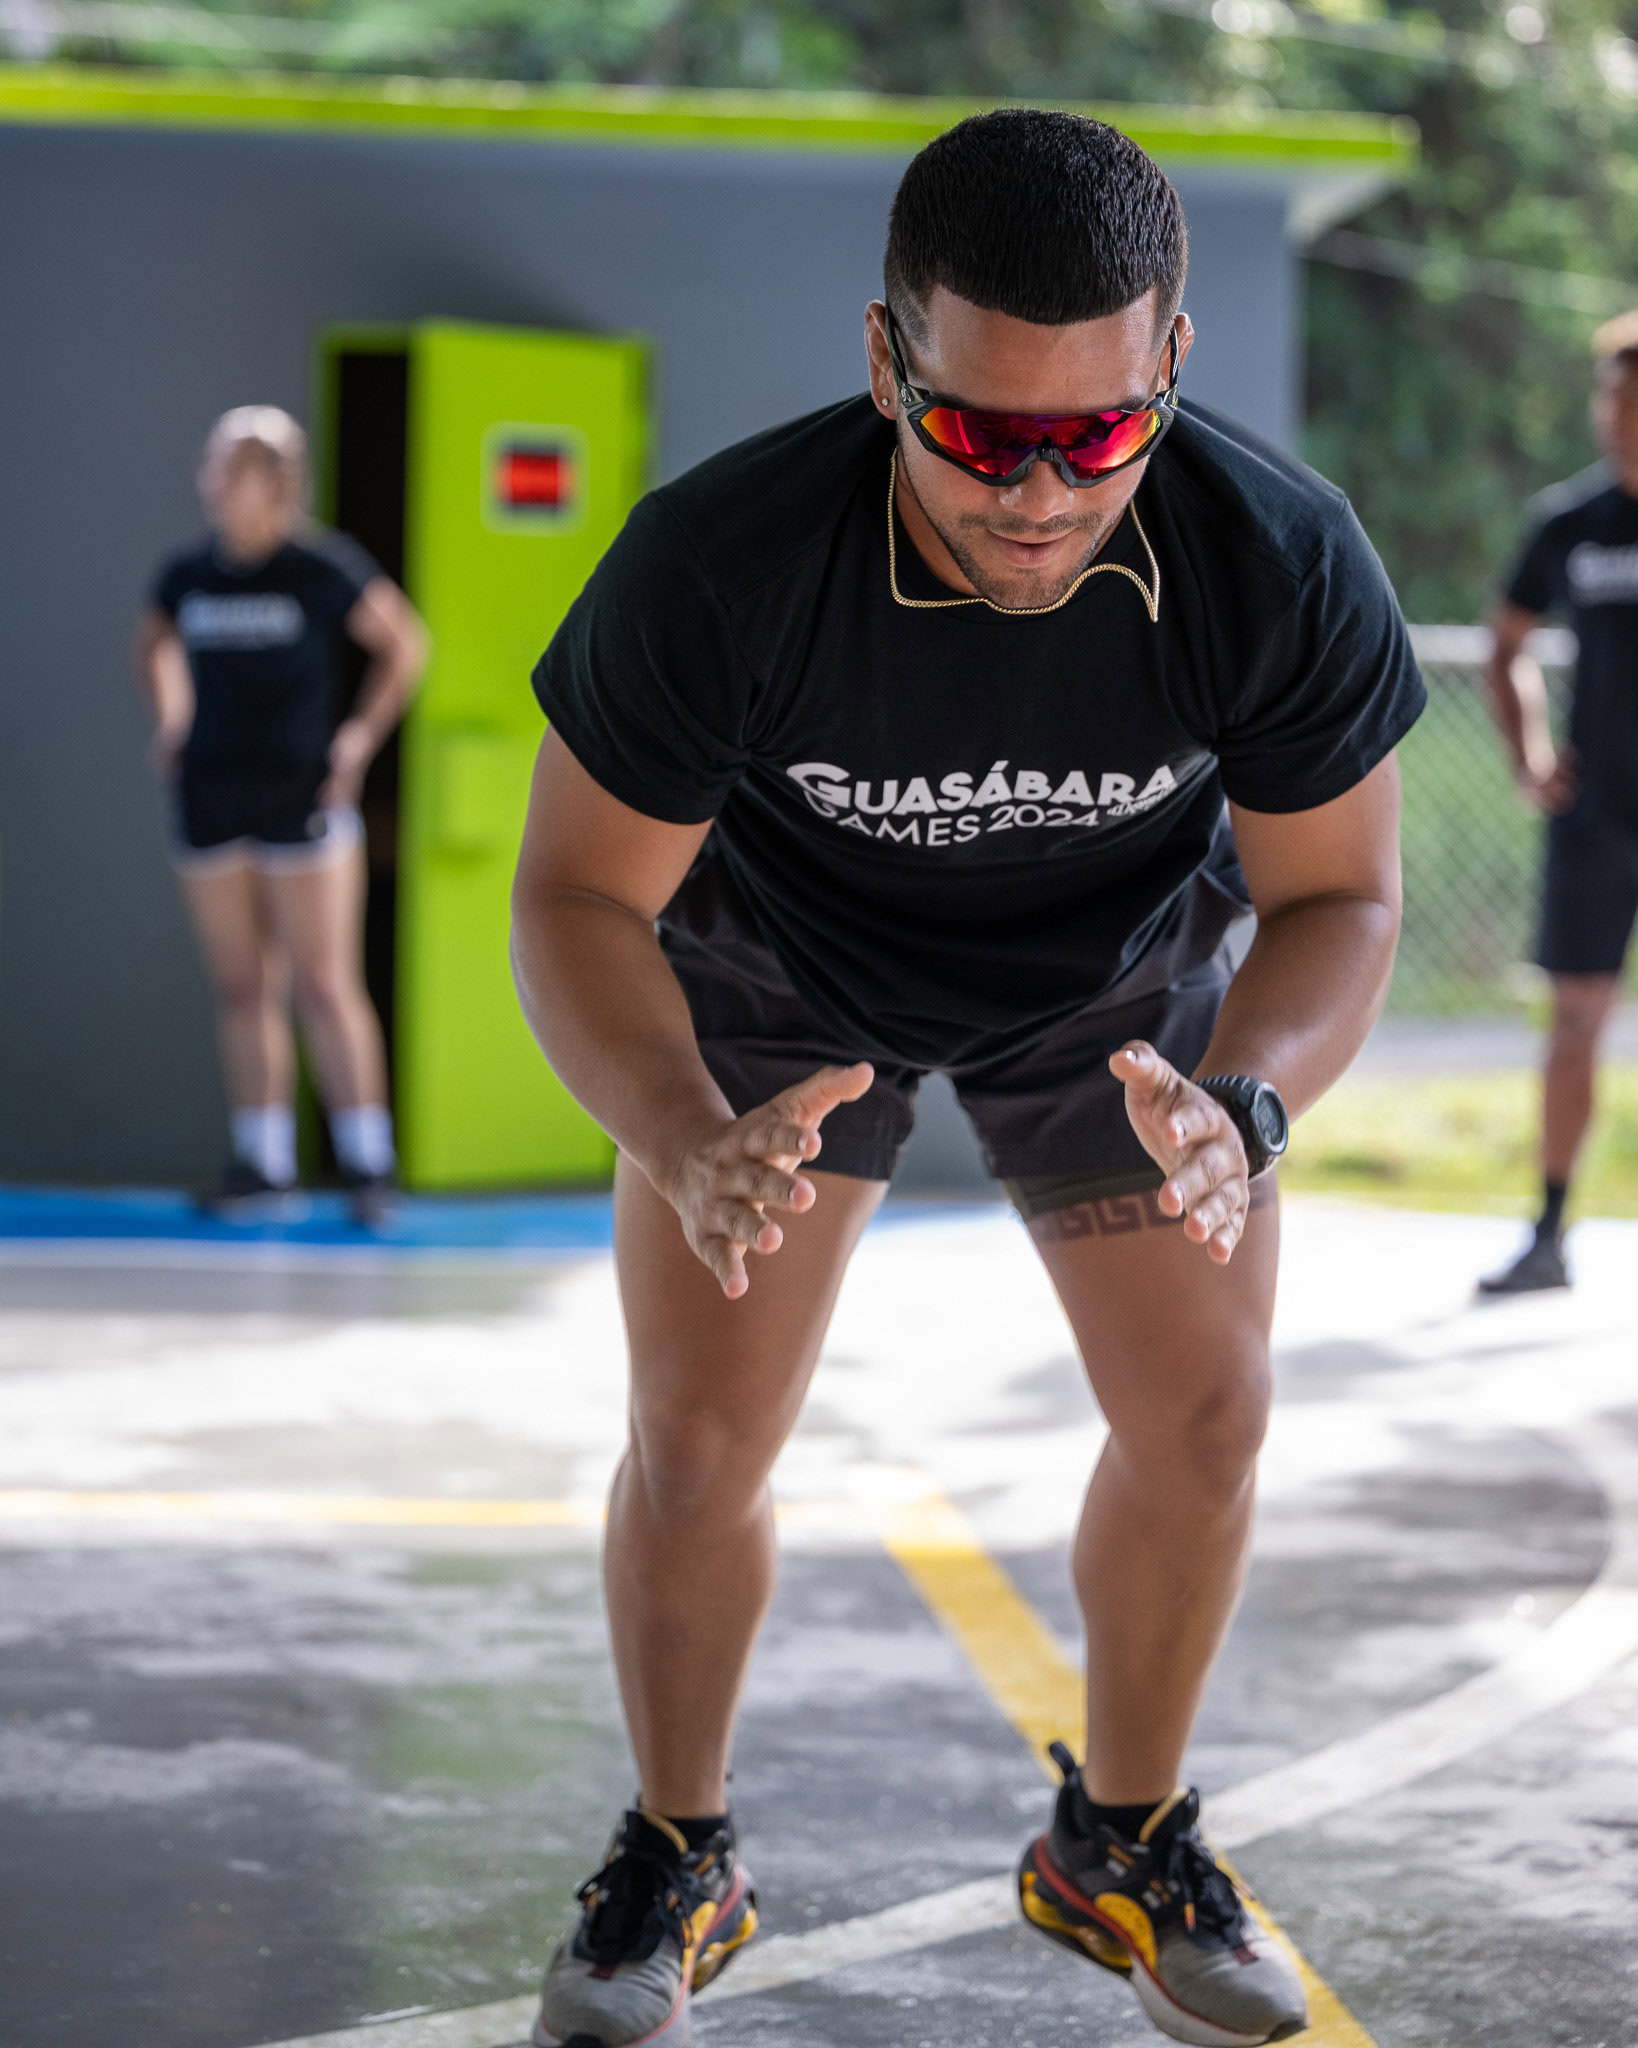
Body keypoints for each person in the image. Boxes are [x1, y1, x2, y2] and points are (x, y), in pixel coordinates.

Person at [512, 110, 1421, 2048]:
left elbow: (1342, 896)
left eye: (1095, 435)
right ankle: (680, 1850)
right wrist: (679, 1130)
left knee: (1210, 1412)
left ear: (1169, 367)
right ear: (884, 361)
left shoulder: (1274, 560)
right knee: (701, 1438)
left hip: (1114, 1003)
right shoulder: (724, 563)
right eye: (979, 432)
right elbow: (577, 893)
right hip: (779, 987)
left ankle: (1123, 1834)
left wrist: (1245, 1102)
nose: (1037, 490)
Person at [136, 407, 426, 1221]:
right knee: (241, 983)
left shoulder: (320, 568)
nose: (215, 482)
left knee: (325, 983)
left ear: (277, 480)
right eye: (212, 465)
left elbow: (406, 643)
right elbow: (152, 642)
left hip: (301, 796)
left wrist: (357, 741)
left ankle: (370, 1165)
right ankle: (262, 1163)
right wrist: (172, 716)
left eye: (232, 467)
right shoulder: (187, 573)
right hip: (213, 795)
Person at [1479, 313, 1638, 1295]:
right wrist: (1531, 756)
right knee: (1575, 1020)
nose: (1619, 414)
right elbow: (1506, 643)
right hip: (1598, 819)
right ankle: (1546, 1230)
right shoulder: (1568, 523)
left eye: (1636, 396)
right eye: (1611, 395)